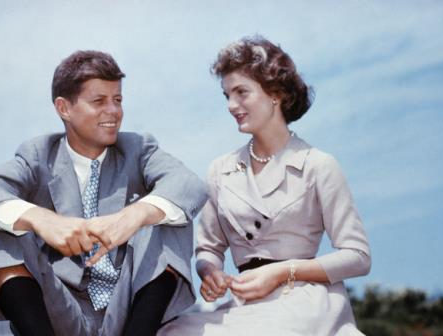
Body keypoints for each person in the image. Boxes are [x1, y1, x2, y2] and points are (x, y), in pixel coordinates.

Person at [0, 50, 207, 336]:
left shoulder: (139, 149)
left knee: (166, 214)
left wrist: (134, 215)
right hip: (59, 312)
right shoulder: (37, 155)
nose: (113, 111)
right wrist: (40, 218)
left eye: (118, 100)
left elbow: (189, 185)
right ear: (64, 108)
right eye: (99, 101)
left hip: (129, 312)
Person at [158, 36, 371, 335]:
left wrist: (283, 272)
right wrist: (210, 272)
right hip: (244, 306)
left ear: (276, 94)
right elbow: (208, 248)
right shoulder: (221, 171)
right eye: (226, 95)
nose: (232, 105)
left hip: (305, 303)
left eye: (241, 92)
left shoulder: (318, 165)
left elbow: (358, 256)